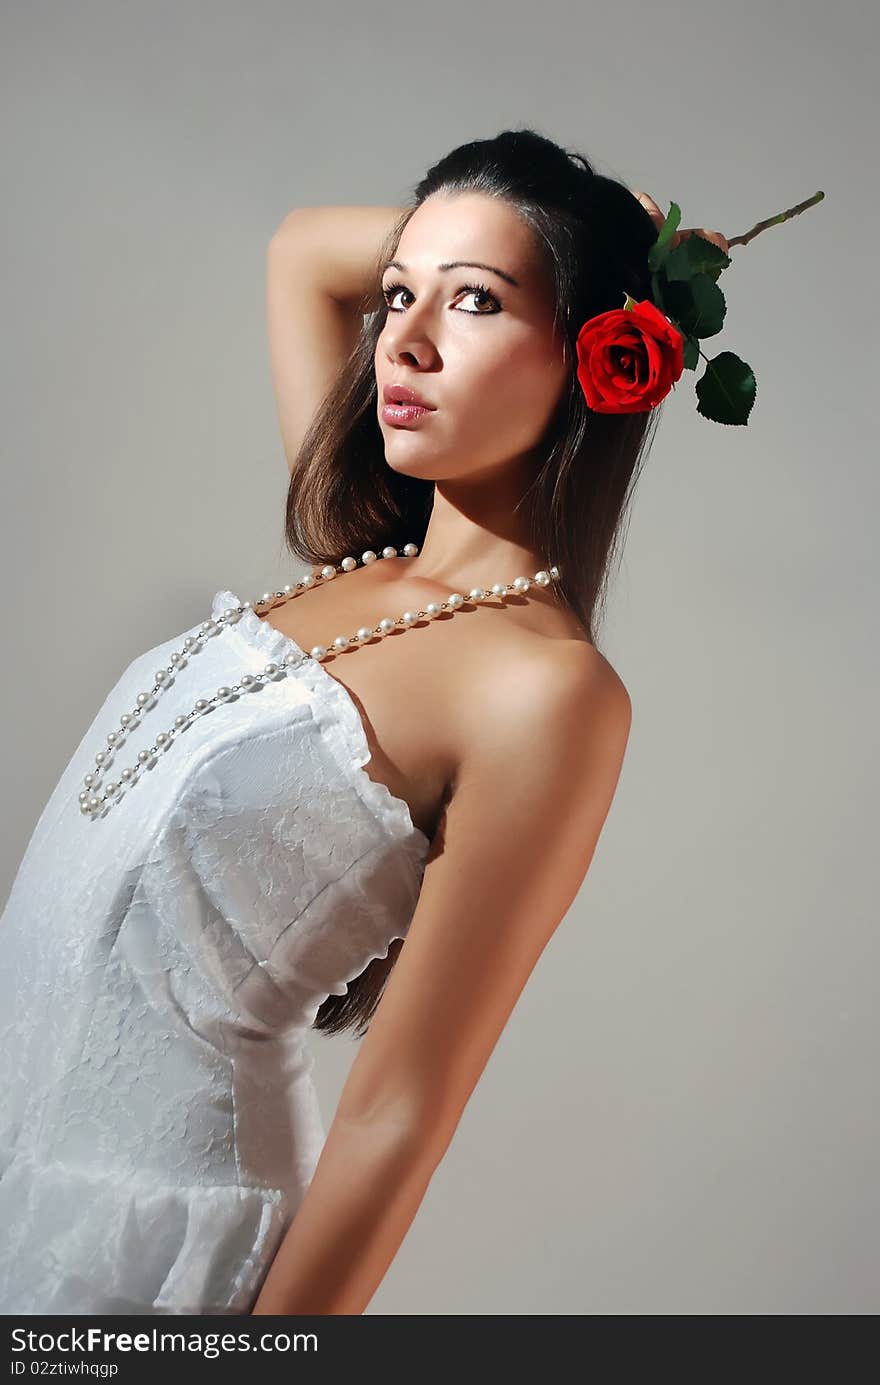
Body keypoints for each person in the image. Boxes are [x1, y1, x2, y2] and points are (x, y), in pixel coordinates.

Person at [0, 128, 730, 1315]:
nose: (405, 339)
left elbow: (402, 1108)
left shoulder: (542, 689)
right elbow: (302, 251)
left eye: (477, 302)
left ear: (593, 355)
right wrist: (573, 229)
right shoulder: (356, 544)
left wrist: (617, 262)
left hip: (147, 1227)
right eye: (399, 296)